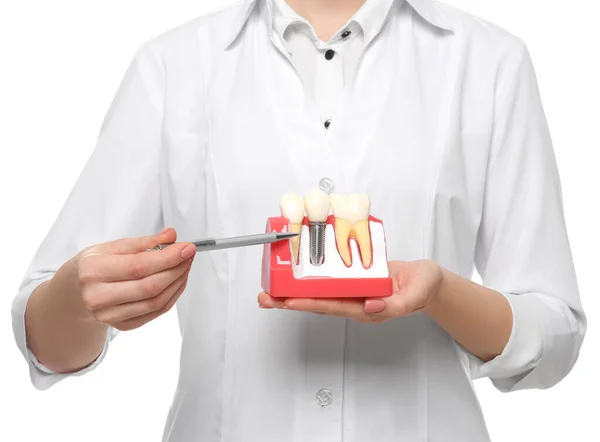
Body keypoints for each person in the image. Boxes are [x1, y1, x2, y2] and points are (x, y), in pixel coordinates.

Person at [12, 0, 586, 440]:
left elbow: (553, 333)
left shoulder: (489, 62)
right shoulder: (173, 66)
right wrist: (80, 297)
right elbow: (45, 339)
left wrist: (439, 292)